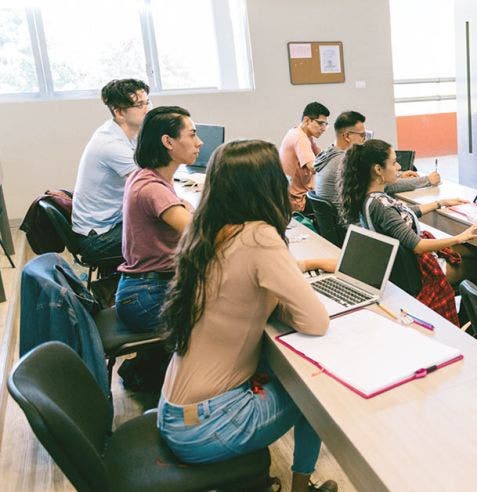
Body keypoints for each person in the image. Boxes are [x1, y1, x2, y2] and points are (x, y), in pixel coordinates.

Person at [159, 139, 338, 492]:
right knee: (315, 391)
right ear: (266, 185)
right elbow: (316, 322)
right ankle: (302, 487)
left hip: (176, 412)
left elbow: (241, 282)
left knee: (283, 369)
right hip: (207, 426)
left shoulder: (207, 229)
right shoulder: (259, 235)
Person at [338, 139, 477, 324]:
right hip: (418, 274)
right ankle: (465, 323)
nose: (398, 167)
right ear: (378, 170)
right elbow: (419, 246)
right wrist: (459, 238)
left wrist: (440, 203)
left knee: (472, 254)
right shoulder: (381, 206)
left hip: (401, 269)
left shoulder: (370, 199)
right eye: (393, 162)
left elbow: (401, 215)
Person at [114, 106, 200, 390]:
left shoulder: (147, 177)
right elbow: (200, 235)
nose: (199, 142)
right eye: (192, 134)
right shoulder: (152, 188)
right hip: (147, 297)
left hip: (139, 290)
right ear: (168, 142)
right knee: (229, 307)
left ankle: (152, 367)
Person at [72, 78, 151, 266]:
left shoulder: (125, 132)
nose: (147, 108)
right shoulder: (111, 144)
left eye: (147, 102)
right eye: (139, 105)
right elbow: (147, 187)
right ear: (119, 112)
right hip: (98, 238)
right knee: (168, 231)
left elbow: (149, 168)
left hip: (111, 222)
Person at [314, 110, 440, 208]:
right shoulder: (344, 162)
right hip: (353, 227)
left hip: (340, 225)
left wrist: (399, 175)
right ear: (347, 136)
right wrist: (427, 180)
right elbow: (385, 186)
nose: (365, 140)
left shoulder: (328, 154)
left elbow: (372, 178)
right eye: (362, 135)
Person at [279, 101, 330, 213]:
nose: (323, 128)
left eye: (325, 124)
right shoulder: (300, 138)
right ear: (307, 120)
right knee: (336, 202)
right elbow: (314, 167)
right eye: (320, 123)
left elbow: (321, 154)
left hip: (292, 196)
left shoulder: (300, 133)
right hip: (297, 202)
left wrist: (336, 152)